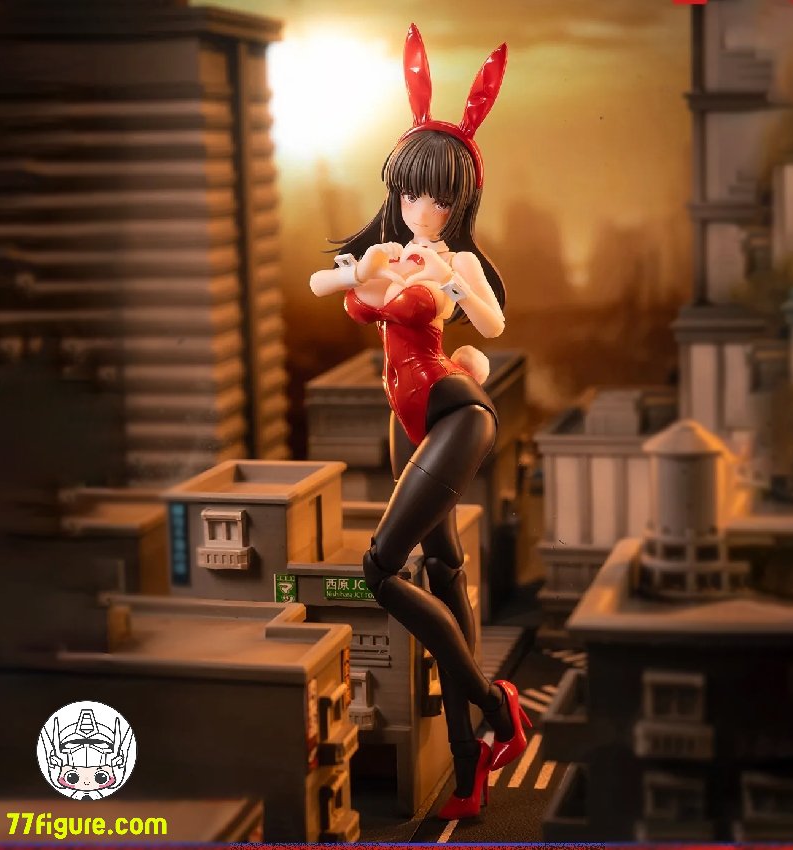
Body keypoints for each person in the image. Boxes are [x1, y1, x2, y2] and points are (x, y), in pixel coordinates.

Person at [310, 23, 529, 820]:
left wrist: (451, 280)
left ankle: (499, 707)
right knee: (443, 576)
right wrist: (371, 270)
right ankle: (470, 767)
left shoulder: (452, 259)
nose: (423, 209)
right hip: (408, 421)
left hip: (456, 413)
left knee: (379, 570)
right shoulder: (388, 252)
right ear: (396, 193)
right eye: (411, 195)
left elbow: (494, 327)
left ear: (460, 202)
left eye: (439, 198)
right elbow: (347, 292)